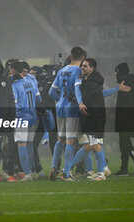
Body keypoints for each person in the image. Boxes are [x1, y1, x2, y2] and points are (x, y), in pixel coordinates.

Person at [48, 47, 85, 181]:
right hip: (72, 108)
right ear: (82, 57)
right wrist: (79, 102)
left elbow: (51, 92)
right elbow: (77, 88)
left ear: (70, 56)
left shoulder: (61, 70)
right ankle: (67, 173)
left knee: (60, 139)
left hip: (60, 108)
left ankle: (53, 167)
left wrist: (61, 100)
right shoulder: (78, 71)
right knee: (71, 141)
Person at [71, 58, 108, 181]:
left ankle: (101, 174)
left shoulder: (91, 84)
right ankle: (69, 169)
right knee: (87, 146)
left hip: (94, 118)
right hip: (93, 117)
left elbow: (91, 104)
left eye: (85, 66)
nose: (82, 68)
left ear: (92, 68)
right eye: (82, 66)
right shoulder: (89, 81)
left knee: (95, 145)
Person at [10, 61, 42, 181]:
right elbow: (39, 99)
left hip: (21, 118)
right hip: (33, 117)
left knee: (21, 143)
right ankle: (32, 172)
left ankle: (27, 174)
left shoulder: (15, 85)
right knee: (29, 143)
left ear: (14, 70)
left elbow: (15, 104)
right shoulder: (31, 82)